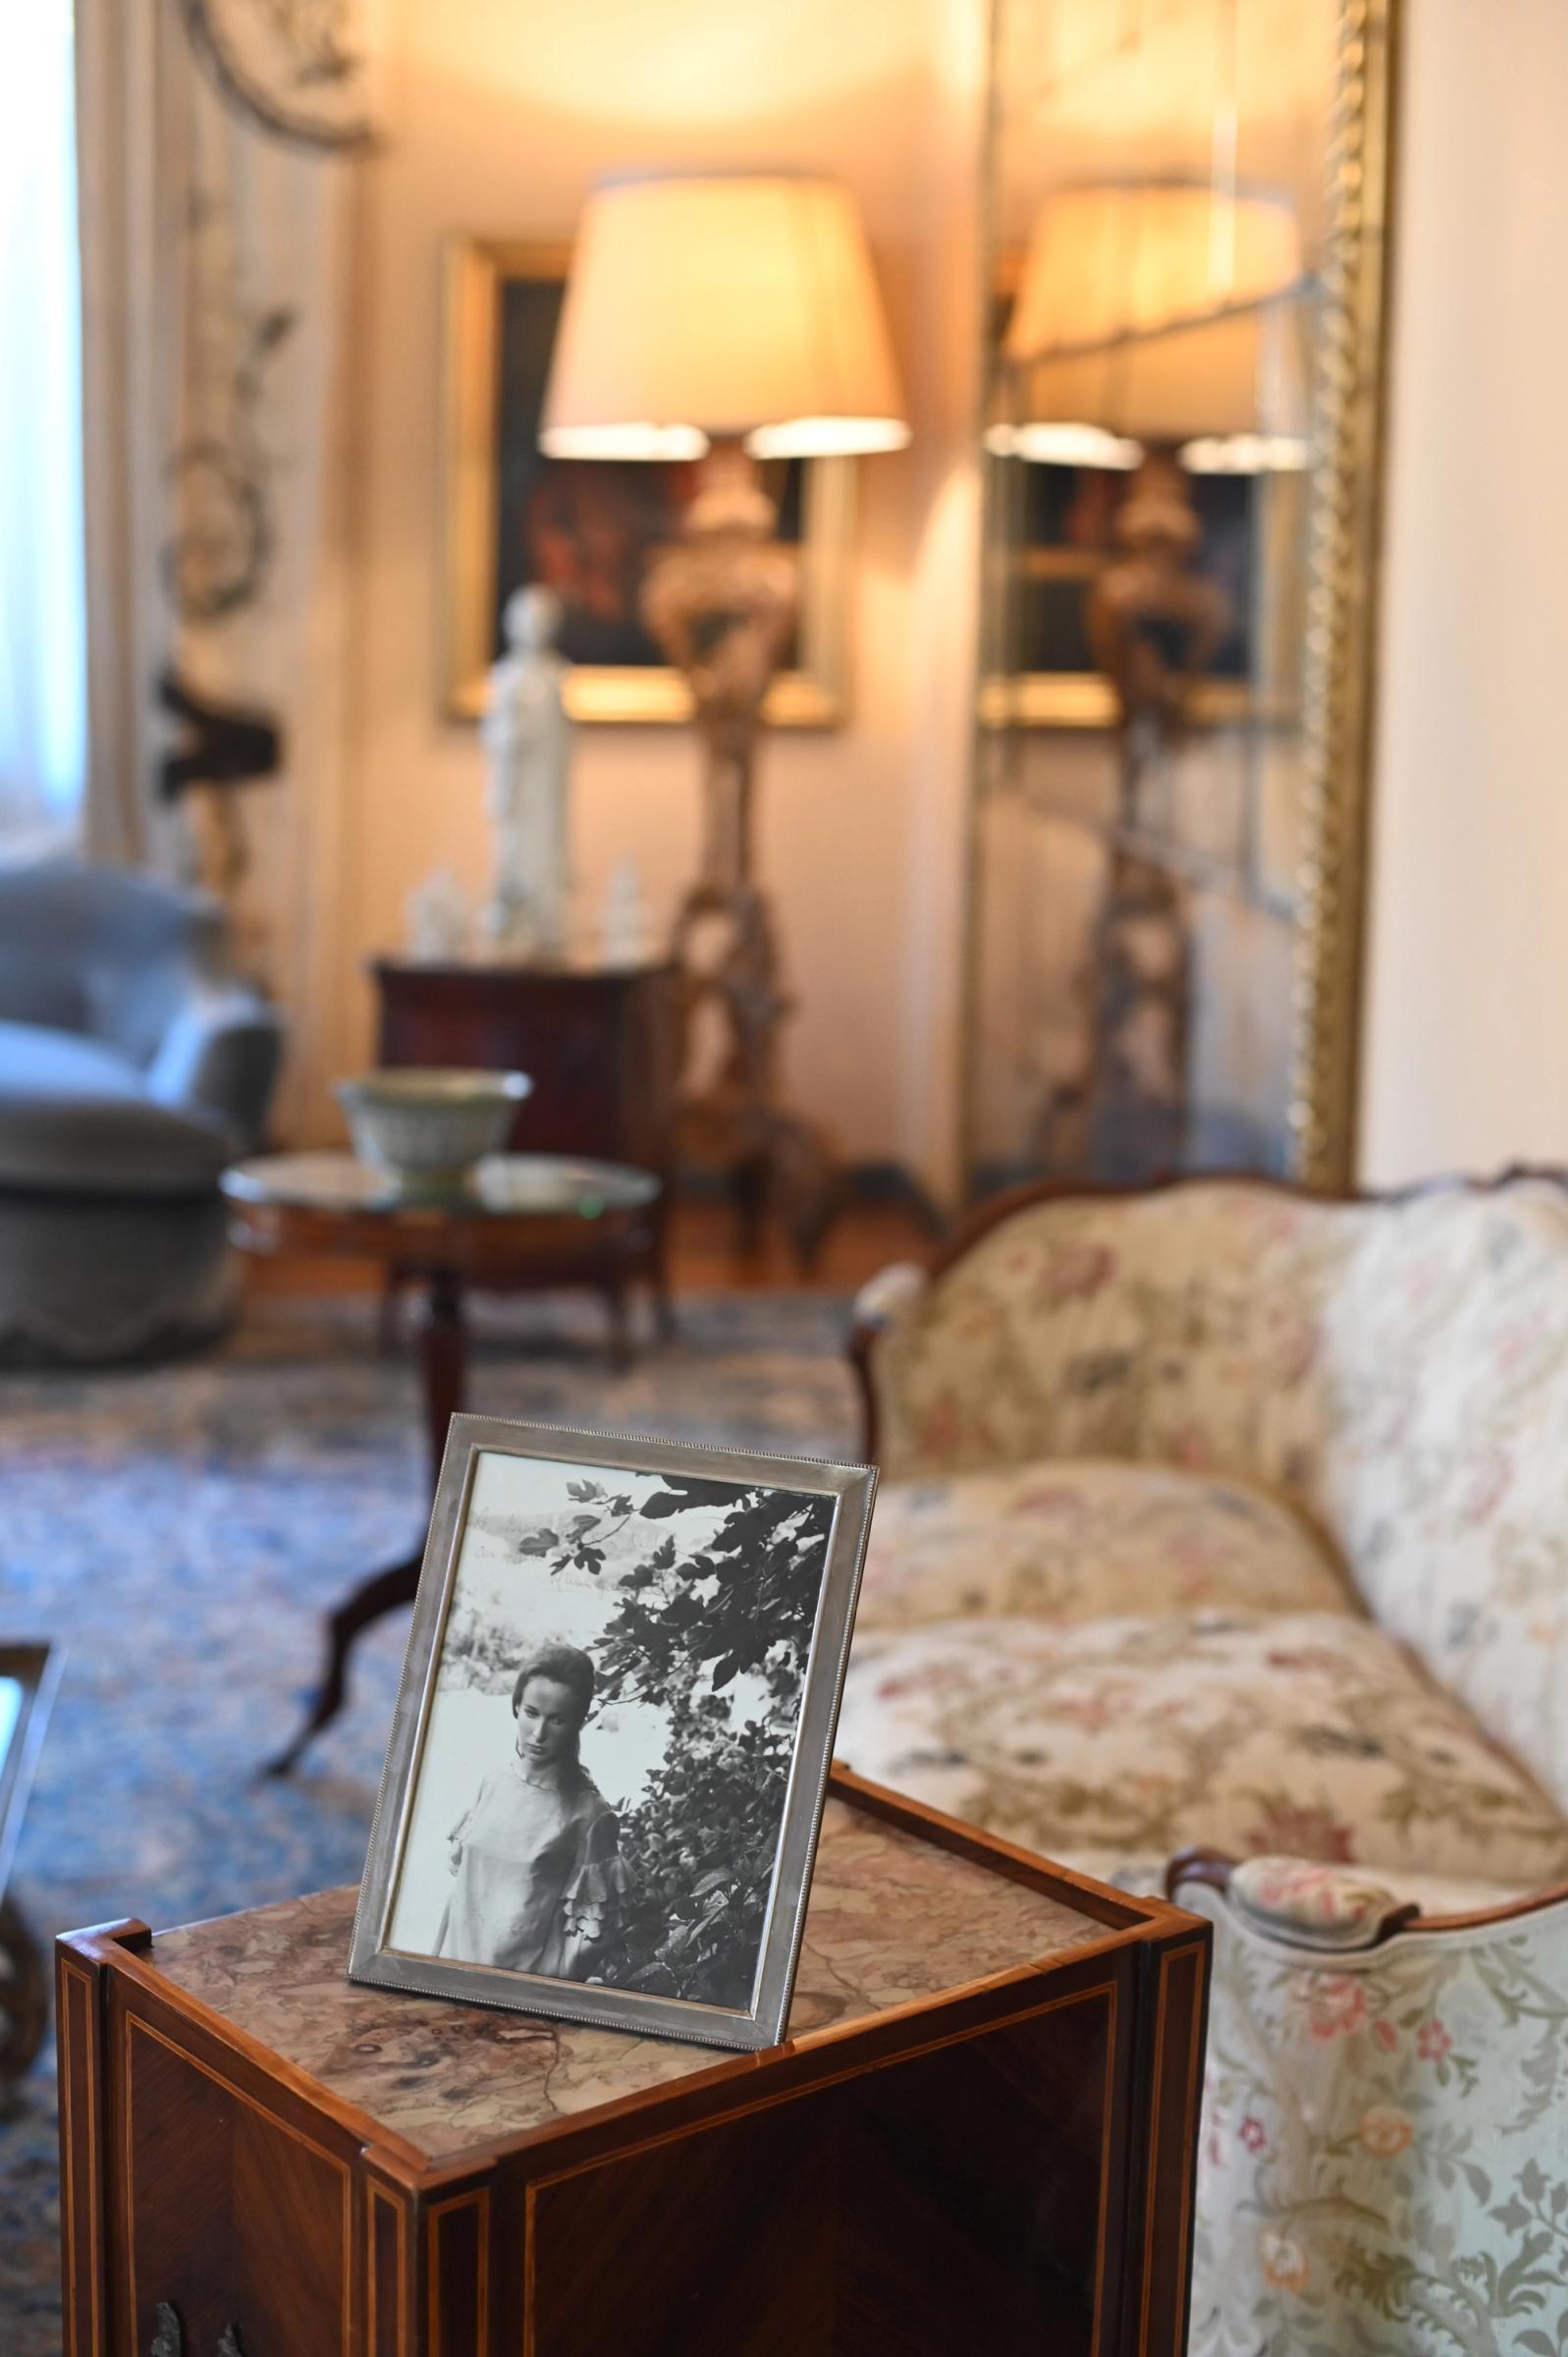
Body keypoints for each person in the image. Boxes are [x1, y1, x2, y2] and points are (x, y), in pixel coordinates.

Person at [434, 1642, 625, 1977]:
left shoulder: (590, 1815)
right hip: (452, 1966)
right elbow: (462, 1894)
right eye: (531, 1713)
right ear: (516, 1707)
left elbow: (592, 1935)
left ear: (580, 1721)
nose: (538, 1734)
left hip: (518, 1986)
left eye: (557, 1720)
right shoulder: (493, 1780)